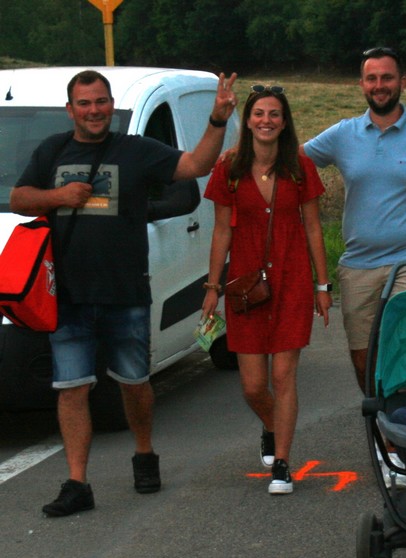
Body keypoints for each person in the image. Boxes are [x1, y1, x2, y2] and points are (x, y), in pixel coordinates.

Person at [9, 69, 239, 517]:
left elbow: (195, 166)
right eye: (84, 103)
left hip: (126, 293)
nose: (94, 110)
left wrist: (217, 120)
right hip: (69, 296)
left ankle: (144, 453)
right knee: (72, 389)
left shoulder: (135, 150)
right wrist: (59, 197)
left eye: (101, 102)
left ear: (111, 105)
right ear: (70, 109)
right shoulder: (52, 150)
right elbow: (19, 199)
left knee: (134, 384)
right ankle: (77, 483)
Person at [302, 47, 406, 395]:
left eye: (387, 78)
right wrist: (243, 150)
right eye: (372, 78)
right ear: (362, 84)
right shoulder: (343, 134)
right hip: (358, 265)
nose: (380, 85)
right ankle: (382, 425)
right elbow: (292, 159)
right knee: (363, 360)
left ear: (403, 82)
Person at [201, 85, 331, 495]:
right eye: (259, 114)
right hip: (245, 288)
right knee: (254, 386)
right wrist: (212, 286)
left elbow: (313, 228)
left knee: (283, 375)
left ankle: (283, 463)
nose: (266, 121)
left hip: (292, 282)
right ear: (248, 120)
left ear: (285, 121)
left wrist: (322, 285)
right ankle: (273, 426)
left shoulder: (300, 167)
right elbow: (221, 230)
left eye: (274, 114)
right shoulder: (229, 168)